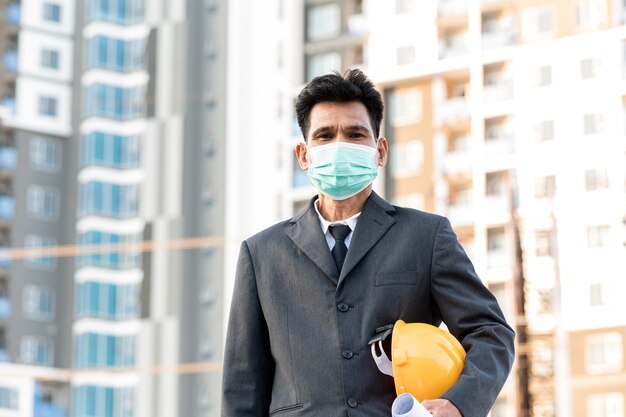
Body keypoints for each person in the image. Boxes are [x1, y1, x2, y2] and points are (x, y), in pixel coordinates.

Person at [221, 69, 515, 417]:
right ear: (303, 155)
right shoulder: (261, 255)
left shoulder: (426, 236)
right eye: (325, 135)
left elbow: (490, 331)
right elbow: (243, 387)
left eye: (356, 134)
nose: (340, 146)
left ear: (380, 151)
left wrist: (459, 403)